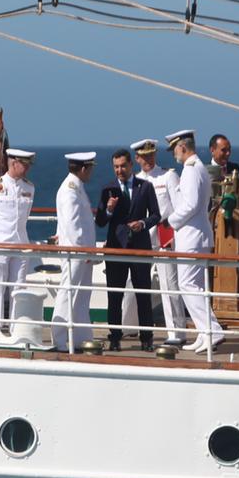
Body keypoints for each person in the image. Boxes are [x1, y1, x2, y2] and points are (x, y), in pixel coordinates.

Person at [95, 148, 160, 351]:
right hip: (116, 249)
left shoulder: (145, 187)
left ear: (131, 165)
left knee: (143, 294)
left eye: (123, 166)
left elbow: (156, 215)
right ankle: (114, 337)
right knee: (115, 296)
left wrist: (142, 222)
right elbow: (100, 221)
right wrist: (109, 209)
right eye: (116, 167)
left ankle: (146, 338)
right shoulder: (108, 189)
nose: (119, 170)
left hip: (140, 248)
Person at [164, 130, 223, 352]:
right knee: (194, 285)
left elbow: (189, 205)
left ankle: (212, 330)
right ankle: (204, 332)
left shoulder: (190, 170)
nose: (173, 154)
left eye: (174, 150)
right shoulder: (197, 167)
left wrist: (171, 221)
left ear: (182, 147)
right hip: (195, 235)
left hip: (191, 236)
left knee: (188, 285)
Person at [0, 148, 37, 339]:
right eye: (25, 164)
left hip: (20, 243)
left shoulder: (29, 188)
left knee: (18, 286)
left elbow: (24, 218)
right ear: (13, 162)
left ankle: (15, 325)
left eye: (29, 164)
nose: (28, 168)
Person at [133, 137, 187, 347]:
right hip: (141, 238)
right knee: (134, 284)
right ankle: (133, 327)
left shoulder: (168, 176)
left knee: (169, 285)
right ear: (137, 158)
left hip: (164, 236)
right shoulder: (135, 180)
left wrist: (173, 236)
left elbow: (179, 207)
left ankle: (176, 332)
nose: (148, 159)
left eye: (151, 155)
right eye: (144, 156)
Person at [53, 152, 98, 352]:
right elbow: (72, 224)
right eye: (90, 168)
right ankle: (60, 338)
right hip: (76, 253)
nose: (91, 172)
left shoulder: (76, 187)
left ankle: (80, 337)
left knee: (81, 296)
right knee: (68, 293)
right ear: (83, 169)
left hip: (81, 253)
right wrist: (84, 250)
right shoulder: (70, 190)